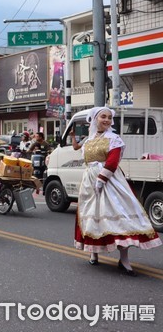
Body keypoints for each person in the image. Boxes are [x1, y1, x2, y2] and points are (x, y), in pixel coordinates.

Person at [69, 107, 161, 274]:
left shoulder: (114, 138)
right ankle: (93, 253)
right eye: (103, 117)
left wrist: (101, 179)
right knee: (92, 217)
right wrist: (93, 180)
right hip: (89, 182)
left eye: (110, 118)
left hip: (110, 181)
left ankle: (124, 260)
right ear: (95, 119)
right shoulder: (88, 141)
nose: (107, 120)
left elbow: (112, 162)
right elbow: (86, 160)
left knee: (119, 219)